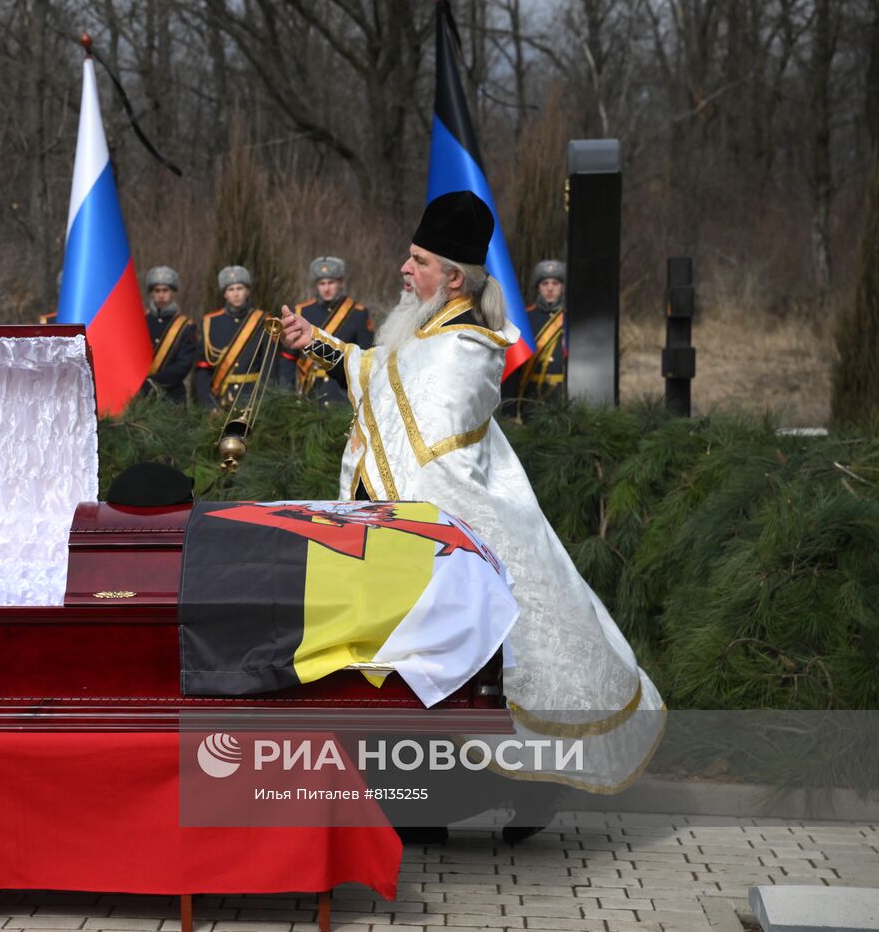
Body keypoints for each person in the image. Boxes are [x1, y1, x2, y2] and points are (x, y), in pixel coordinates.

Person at [279, 191, 663, 834]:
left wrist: (397, 512)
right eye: (408, 255)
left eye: (419, 260)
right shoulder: (421, 327)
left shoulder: (469, 346)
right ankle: (421, 804)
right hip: (399, 529)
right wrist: (313, 344)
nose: (405, 269)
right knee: (409, 673)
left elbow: (429, 443)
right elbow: (375, 375)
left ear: (454, 278)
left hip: (448, 529)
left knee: (482, 668)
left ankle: (528, 790)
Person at [279, 256, 374, 405]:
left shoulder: (358, 313)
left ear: (340, 282)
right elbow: (289, 358)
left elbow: (367, 358)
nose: (326, 288)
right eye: (322, 283)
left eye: (331, 282)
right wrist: (288, 396)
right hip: (311, 395)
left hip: (343, 396)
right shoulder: (302, 311)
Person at [193, 266, 285, 408]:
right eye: (231, 289)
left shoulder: (264, 321)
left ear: (247, 291)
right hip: (220, 401)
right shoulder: (211, 322)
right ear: (225, 294)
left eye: (240, 288)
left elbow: (269, 369)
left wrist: (263, 403)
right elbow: (203, 368)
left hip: (252, 399)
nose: (236, 294)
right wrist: (209, 404)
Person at [502, 259, 567, 419]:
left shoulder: (571, 320)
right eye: (545, 283)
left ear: (562, 287)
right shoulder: (525, 319)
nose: (550, 288)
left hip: (563, 398)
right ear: (538, 288)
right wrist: (510, 409)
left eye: (555, 283)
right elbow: (514, 365)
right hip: (531, 397)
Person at [141, 266, 197, 403]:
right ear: (151, 293)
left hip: (171, 397)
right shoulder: (140, 321)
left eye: (165, 290)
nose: (161, 295)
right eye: (157, 290)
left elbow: (183, 365)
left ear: (172, 292)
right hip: (141, 396)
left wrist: (153, 382)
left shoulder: (186, 326)